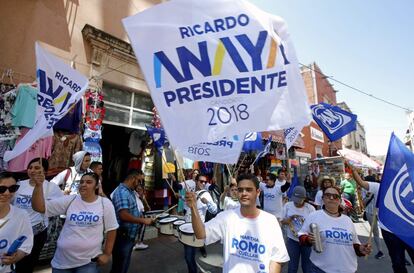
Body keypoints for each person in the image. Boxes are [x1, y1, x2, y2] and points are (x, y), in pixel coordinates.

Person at [187, 173, 289, 273]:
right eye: (240, 190)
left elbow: (277, 258)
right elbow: (201, 234)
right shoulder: (226, 218)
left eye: (249, 190)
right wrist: (193, 207)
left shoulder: (270, 221)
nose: (244, 193)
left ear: (258, 192)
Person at [32, 172, 118, 273]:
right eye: (81, 182)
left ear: (96, 186)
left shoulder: (105, 203)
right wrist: (38, 186)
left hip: (88, 262)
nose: (83, 184)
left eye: (89, 182)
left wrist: (107, 254)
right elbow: (39, 207)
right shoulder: (71, 200)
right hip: (62, 261)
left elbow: (112, 229)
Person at [349, 163, 414, 273]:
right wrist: (354, 171)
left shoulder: (409, 187)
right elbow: (361, 183)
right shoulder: (379, 187)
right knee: (397, 262)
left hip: (409, 228)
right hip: (389, 230)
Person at [298, 185, 371, 273]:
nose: (331, 198)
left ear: (340, 201)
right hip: (321, 269)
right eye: (328, 195)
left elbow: (354, 244)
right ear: (323, 199)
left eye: (335, 196)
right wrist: (308, 239)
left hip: (348, 269)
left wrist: (360, 249)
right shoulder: (314, 216)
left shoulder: (347, 220)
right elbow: (301, 235)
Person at [12, 158, 63, 273]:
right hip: (16, 230)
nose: (32, 170)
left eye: (37, 167)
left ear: (44, 171)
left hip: (36, 232)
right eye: (30, 168)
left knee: (27, 265)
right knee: (10, 261)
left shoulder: (51, 187)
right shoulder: (19, 184)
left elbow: (58, 207)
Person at [110, 170, 154, 273]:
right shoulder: (122, 192)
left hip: (128, 236)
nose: (140, 184)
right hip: (122, 237)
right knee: (120, 267)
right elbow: (123, 215)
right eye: (139, 181)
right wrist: (142, 220)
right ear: (133, 178)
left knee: (122, 266)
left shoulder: (129, 191)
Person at [181, 174, 217, 273]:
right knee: (188, 257)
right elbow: (186, 204)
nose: (203, 183)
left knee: (188, 257)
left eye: (205, 182)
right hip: (186, 228)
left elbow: (214, 210)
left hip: (195, 230)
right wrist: (181, 197)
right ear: (196, 181)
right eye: (201, 181)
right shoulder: (192, 192)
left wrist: (208, 203)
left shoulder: (206, 194)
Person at [0, 172, 34, 273]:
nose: (7, 193)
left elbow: (26, 244)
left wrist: (15, 257)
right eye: (1, 189)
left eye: (12, 188)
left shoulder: (21, 215)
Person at [281, 186, 315, 273]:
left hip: (306, 241)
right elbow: (281, 220)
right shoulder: (288, 205)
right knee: (292, 267)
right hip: (292, 240)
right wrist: (287, 221)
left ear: (304, 198)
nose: (296, 203)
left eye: (299, 200)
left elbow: (315, 225)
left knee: (307, 267)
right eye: (295, 200)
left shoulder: (310, 208)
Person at [133, 183, 151, 251]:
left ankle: (139, 242)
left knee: (141, 228)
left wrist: (147, 205)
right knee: (141, 227)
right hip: (138, 213)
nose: (139, 191)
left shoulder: (141, 195)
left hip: (141, 212)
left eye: (141, 190)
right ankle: (139, 243)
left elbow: (144, 199)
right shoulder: (134, 194)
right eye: (138, 189)